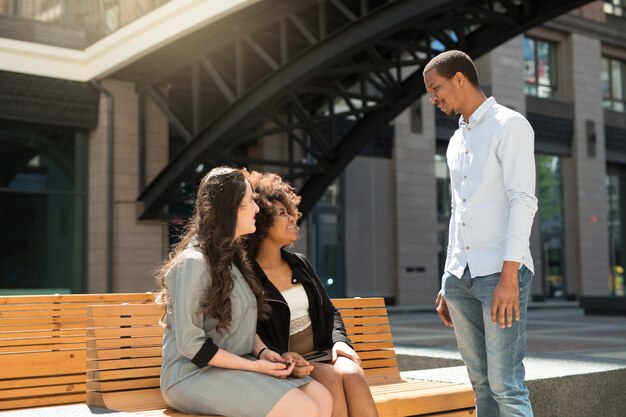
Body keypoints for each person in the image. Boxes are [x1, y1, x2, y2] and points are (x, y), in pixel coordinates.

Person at [155, 166, 332, 417]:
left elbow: (241, 323)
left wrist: (264, 353)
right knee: (303, 409)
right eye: (250, 201)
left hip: (234, 366)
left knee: (321, 397)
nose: (257, 209)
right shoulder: (193, 263)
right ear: (231, 207)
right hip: (191, 374)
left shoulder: (234, 260)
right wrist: (257, 367)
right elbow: (191, 346)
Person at [423, 50, 538, 417]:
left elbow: (523, 201)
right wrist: (448, 276)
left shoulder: (510, 125)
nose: (433, 98)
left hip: (500, 273)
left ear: (460, 78)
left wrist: (509, 277)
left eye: (436, 88)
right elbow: (460, 211)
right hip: (461, 279)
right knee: (481, 385)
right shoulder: (456, 141)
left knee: (506, 385)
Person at [245, 170, 379, 417]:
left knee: (351, 372)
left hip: (323, 353)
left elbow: (329, 311)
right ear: (261, 223)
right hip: (289, 363)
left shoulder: (299, 263)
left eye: (290, 211)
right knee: (330, 378)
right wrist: (284, 360)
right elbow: (251, 333)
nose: (292, 219)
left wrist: (340, 342)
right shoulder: (247, 275)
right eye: (282, 213)